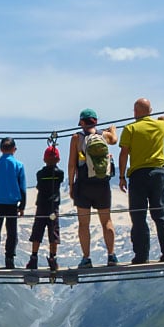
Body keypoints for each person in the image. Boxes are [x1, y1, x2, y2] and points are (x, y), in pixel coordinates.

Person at [117, 98, 164, 264]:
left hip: (138, 175)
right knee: (159, 214)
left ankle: (142, 256)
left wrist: (121, 176)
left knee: (138, 216)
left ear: (135, 112)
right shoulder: (160, 126)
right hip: (158, 174)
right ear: (151, 111)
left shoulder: (130, 128)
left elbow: (123, 154)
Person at [68, 108, 118, 268]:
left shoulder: (76, 138)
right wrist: (113, 130)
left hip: (83, 184)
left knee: (84, 224)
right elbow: (115, 140)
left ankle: (86, 258)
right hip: (102, 184)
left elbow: (71, 164)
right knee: (107, 221)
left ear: (82, 122)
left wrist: (71, 185)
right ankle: (111, 256)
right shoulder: (104, 135)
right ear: (95, 121)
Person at [0, 137, 27, 269]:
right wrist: (22, 205)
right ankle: (9, 259)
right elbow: (23, 187)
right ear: (14, 149)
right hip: (12, 203)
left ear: (0, 149)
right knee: (12, 232)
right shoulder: (19, 165)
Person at [26, 145, 65, 271]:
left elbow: (39, 186)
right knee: (53, 232)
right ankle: (53, 259)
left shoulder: (40, 174)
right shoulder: (60, 174)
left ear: (44, 159)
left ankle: (34, 258)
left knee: (37, 231)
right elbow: (59, 181)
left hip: (41, 206)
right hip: (53, 207)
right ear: (58, 160)